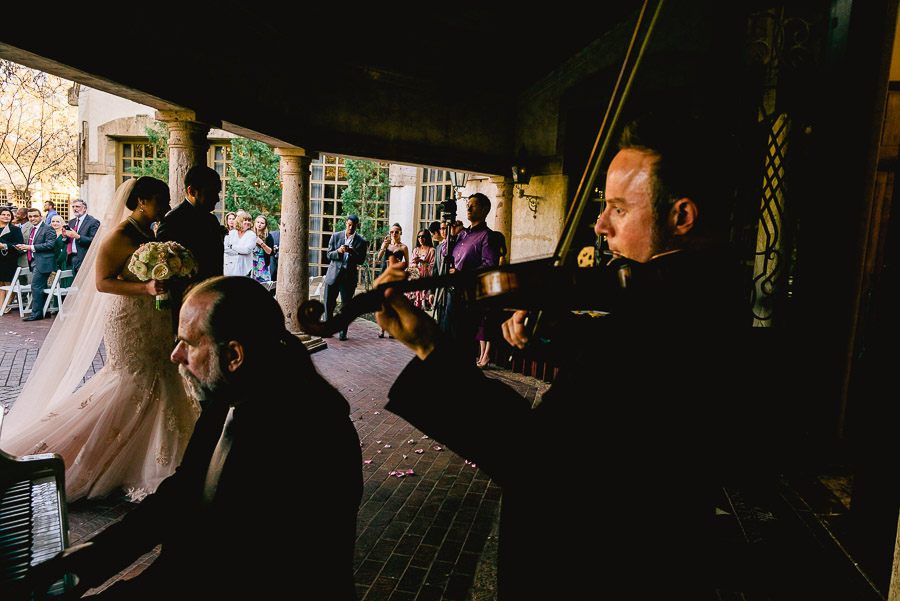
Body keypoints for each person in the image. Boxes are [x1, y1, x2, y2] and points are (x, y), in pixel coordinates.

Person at [373, 116, 742, 598]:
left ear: (682, 217)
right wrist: (560, 334)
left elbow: (537, 457)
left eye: (618, 209)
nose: (600, 225)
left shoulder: (662, 322)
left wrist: (430, 348)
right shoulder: (704, 298)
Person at [27, 276, 362, 600]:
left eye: (187, 342)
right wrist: (88, 560)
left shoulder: (305, 438)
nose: (175, 355)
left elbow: (213, 573)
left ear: (234, 356)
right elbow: (180, 494)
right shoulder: (234, 392)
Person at [0, 177, 201, 502]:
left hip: (153, 315)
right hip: (128, 318)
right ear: (141, 202)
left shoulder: (148, 233)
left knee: (160, 377)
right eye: (160, 199)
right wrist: (145, 288)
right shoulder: (119, 235)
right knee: (131, 380)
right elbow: (102, 283)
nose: (166, 205)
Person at [155, 165, 224, 322]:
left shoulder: (211, 219)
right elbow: (164, 265)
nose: (217, 199)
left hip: (210, 295)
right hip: (186, 300)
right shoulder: (173, 221)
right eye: (212, 193)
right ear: (192, 191)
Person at [439, 193, 502, 352]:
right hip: (451, 295)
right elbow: (444, 254)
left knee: (462, 344)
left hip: (469, 299)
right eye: (467, 204)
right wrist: (452, 236)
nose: (468, 208)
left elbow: (490, 266)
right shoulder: (462, 234)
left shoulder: (487, 236)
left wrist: (462, 273)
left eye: (472, 205)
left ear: (484, 209)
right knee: (447, 341)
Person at [324, 214, 368, 341]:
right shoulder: (336, 236)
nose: (350, 228)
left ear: (357, 226)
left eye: (353, 226)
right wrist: (339, 251)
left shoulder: (361, 242)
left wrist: (352, 251)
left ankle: (343, 333)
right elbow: (328, 255)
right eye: (348, 225)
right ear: (345, 224)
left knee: (346, 306)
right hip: (333, 275)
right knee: (328, 304)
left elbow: (361, 260)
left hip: (348, 278)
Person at [15, 208, 56, 321]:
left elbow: (50, 245)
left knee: (35, 286)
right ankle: (44, 311)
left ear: (41, 217)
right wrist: (23, 247)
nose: (33, 218)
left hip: (44, 262)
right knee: (40, 287)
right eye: (30, 217)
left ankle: (36, 313)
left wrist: (30, 247)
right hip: (33, 261)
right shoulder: (32, 229)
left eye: (35, 216)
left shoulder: (48, 229)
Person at [376, 223, 408, 338]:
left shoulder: (403, 247)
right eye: (392, 232)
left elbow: (407, 264)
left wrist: (400, 263)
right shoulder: (387, 245)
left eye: (397, 232)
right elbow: (378, 258)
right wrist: (383, 247)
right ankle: (382, 327)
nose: (394, 234)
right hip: (385, 275)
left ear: (401, 233)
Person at [62, 198, 101, 276]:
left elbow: (94, 240)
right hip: (72, 256)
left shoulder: (93, 222)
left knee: (81, 283)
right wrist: (65, 236)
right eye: (73, 207)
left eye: (77, 207)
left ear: (84, 208)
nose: (75, 209)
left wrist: (78, 237)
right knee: (74, 283)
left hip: (84, 257)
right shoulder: (71, 222)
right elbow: (67, 241)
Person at [0, 206, 24, 313]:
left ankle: (7, 305)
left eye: (8, 215)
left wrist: (4, 245)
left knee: (9, 282)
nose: (6, 217)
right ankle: (1, 305)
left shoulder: (15, 229)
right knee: (0, 283)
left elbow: (18, 243)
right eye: (3, 214)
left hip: (9, 259)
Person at [223, 210, 256, 277]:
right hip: (230, 268)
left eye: (249, 220)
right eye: (245, 220)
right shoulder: (231, 233)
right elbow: (225, 248)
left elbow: (247, 250)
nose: (247, 222)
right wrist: (238, 253)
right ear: (239, 221)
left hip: (245, 268)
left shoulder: (251, 234)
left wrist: (232, 246)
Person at [409, 228, 435, 309]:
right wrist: (414, 264)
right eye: (419, 236)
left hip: (426, 281)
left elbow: (433, 267)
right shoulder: (415, 250)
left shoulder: (431, 250)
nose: (421, 238)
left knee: (425, 308)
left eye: (423, 236)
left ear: (427, 237)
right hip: (416, 280)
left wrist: (422, 262)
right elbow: (411, 264)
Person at [251, 214, 275, 283]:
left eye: (262, 223)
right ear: (255, 223)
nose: (259, 224)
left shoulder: (268, 236)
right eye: (258, 222)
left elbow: (270, 252)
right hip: (251, 263)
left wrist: (261, 243)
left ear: (265, 225)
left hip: (262, 263)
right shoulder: (250, 234)